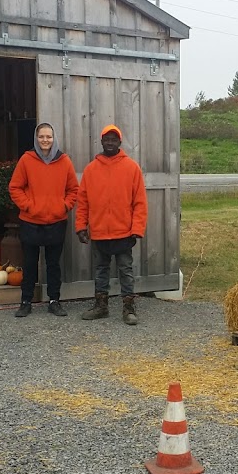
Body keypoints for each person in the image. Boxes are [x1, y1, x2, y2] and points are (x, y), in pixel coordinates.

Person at [76, 124, 147, 325]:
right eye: (106, 139)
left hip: (124, 232)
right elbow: (83, 202)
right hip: (99, 233)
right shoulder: (91, 169)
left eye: (113, 139)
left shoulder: (132, 167)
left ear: (119, 142)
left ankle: (129, 309)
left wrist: (137, 229)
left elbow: (140, 202)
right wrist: (81, 226)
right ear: (101, 141)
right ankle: (101, 307)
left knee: (126, 270)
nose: (110, 142)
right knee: (100, 270)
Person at [8, 122, 79, 318]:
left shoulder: (64, 161)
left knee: (53, 264)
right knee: (30, 263)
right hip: (30, 221)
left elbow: (73, 189)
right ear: (36, 138)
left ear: (54, 139)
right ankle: (26, 301)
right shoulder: (26, 160)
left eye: (48, 137)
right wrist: (29, 206)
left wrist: (63, 206)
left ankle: (54, 301)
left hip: (56, 221)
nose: (45, 140)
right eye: (41, 137)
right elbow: (15, 187)